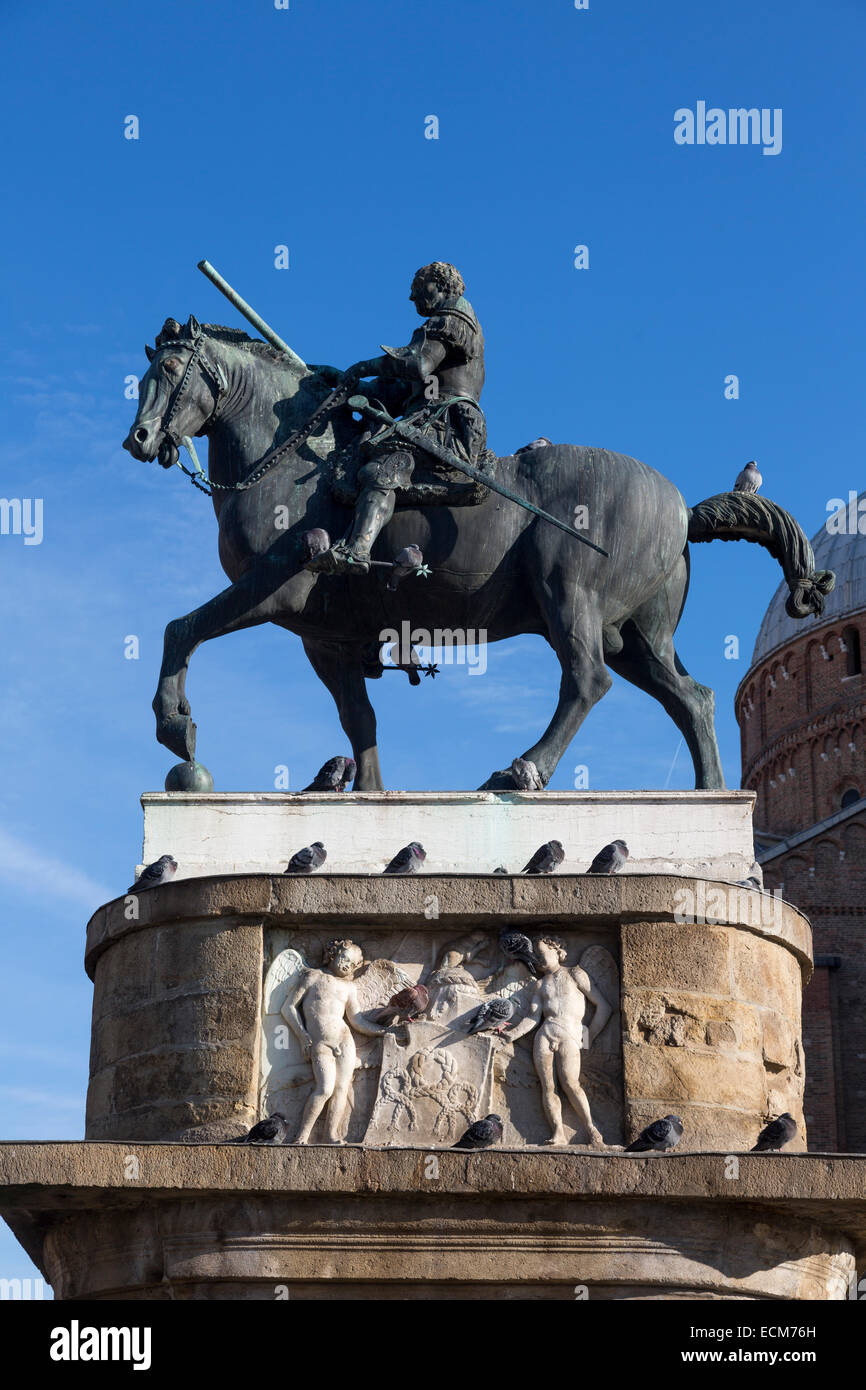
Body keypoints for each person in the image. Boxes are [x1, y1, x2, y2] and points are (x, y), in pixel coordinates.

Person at [310, 261, 486, 574]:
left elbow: (417, 364)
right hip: (426, 415)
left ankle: (357, 549)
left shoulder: (455, 315)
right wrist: (341, 378)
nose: (412, 297)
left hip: (445, 422)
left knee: (384, 470)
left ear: (442, 285)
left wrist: (362, 366)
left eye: (419, 289)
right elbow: (395, 389)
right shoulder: (439, 324)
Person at [280, 938, 391, 1144]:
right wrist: (302, 1035)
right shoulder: (313, 976)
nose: (346, 965)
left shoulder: (349, 988)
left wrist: (383, 1031)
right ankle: (302, 1135)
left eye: (352, 964)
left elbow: (357, 1020)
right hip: (320, 1043)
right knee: (324, 1089)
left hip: (344, 1039)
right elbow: (288, 1008)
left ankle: (330, 1135)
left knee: (341, 1088)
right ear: (334, 954)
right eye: (344, 958)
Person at [506, 937, 611, 1146]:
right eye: (534, 955)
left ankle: (591, 1129)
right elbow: (533, 1018)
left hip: (569, 1035)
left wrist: (587, 1038)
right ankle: (558, 1133)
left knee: (571, 1083)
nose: (537, 958)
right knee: (548, 1087)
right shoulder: (539, 985)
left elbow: (604, 1007)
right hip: (545, 1036)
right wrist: (511, 1034)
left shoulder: (575, 974)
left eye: (540, 952)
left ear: (556, 950)